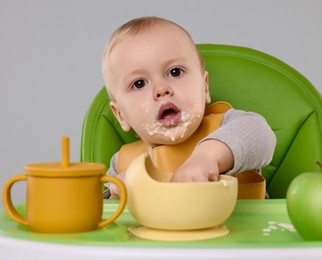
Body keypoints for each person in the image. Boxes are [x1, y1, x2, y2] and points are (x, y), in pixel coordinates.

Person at [101, 16, 276, 199]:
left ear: (205, 87)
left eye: (175, 72)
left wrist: (208, 157)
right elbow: (106, 216)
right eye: (139, 84)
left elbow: (261, 135)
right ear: (120, 115)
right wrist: (117, 193)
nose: (161, 90)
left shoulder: (228, 125)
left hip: (247, 228)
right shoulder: (124, 163)